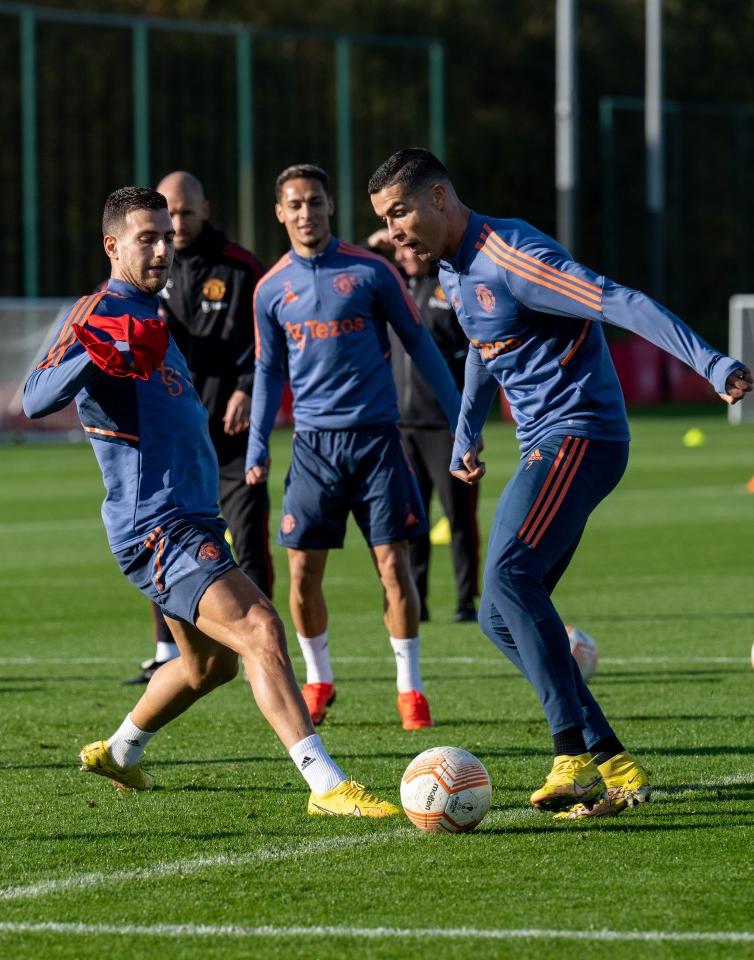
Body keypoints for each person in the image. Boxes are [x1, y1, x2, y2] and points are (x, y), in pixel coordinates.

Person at [368, 147, 753, 819]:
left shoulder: (512, 255)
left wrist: (712, 362)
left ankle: (571, 752)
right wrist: (467, 431)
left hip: (583, 434)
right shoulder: (455, 273)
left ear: (438, 198)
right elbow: (489, 352)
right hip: (543, 442)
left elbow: (618, 301)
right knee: (498, 614)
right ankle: (614, 761)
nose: (395, 230)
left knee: (509, 577)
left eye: (399, 212)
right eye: (385, 219)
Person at [22, 186, 399, 817]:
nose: (164, 248)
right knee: (261, 628)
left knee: (209, 668)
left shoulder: (149, 315)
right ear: (113, 246)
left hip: (191, 517)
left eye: (167, 236)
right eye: (148, 237)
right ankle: (326, 784)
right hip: (158, 525)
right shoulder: (99, 312)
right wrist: (98, 350)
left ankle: (121, 749)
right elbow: (35, 397)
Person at [245, 164, 462, 730]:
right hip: (313, 449)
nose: (306, 213)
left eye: (315, 202)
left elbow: (419, 343)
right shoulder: (270, 288)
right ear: (280, 212)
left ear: (330, 206)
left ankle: (409, 690)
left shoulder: (372, 271)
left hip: (377, 443)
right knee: (301, 577)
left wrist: (464, 417)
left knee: (395, 569)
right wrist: (256, 446)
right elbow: (268, 371)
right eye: (295, 204)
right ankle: (318, 679)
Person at [124, 170, 273, 685]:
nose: (178, 225)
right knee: (159, 543)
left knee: (249, 538)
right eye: (170, 216)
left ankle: (264, 646)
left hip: (232, 436)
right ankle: (167, 652)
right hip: (172, 443)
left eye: (187, 213)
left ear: (205, 210)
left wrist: (248, 386)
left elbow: (269, 338)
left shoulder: (240, 267)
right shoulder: (146, 274)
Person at [367, 228, 480, 624]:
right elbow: (355, 274)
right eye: (397, 250)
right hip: (402, 427)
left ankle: (467, 601)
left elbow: (476, 356)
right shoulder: (393, 289)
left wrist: (468, 422)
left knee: (460, 517)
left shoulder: (449, 285)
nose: (403, 256)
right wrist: (374, 244)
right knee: (412, 520)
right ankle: (419, 602)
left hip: (446, 427)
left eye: (409, 247)